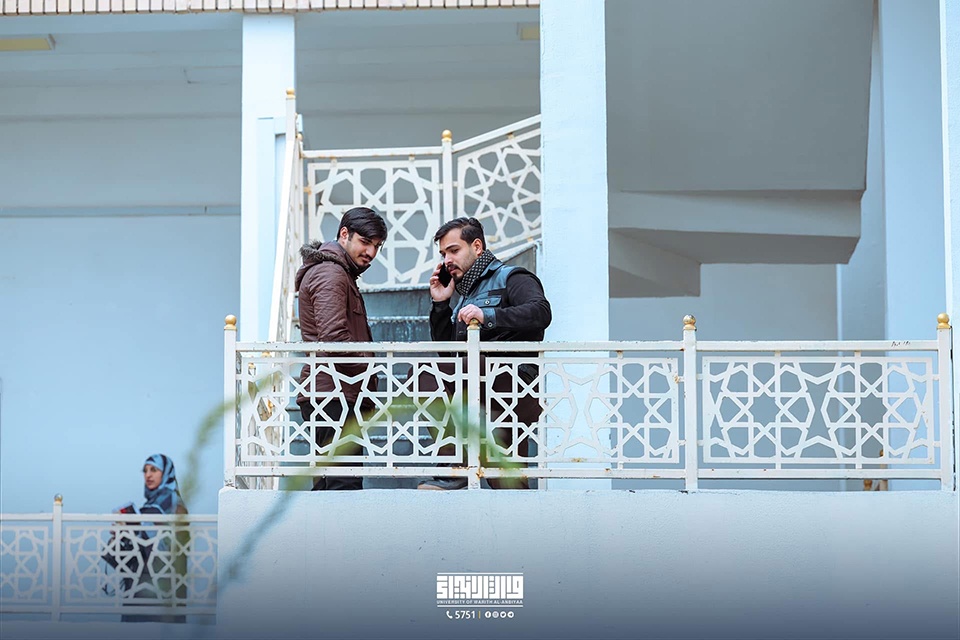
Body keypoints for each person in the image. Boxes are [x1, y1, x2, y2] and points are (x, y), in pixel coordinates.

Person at [418, 217, 552, 490]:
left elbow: (541, 312)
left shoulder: (512, 277)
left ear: (477, 246)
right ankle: (457, 465)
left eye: (454, 250)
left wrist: (487, 315)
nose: (447, 260)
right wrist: (441, 305)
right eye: (443, 254)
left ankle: (455, 466)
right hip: (480, 392)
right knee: (508, 484)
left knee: (426, 372)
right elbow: (450, 356)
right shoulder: (464, 297)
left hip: (511, 385)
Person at [296, 206, 387, 491]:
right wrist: (369, 368)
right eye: (365, 242)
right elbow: (334, 339)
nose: (371, 253)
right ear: (344, 234)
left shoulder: (337, 271)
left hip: (334, 392)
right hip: (334, 394)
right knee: (342, 489)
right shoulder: (331, 273)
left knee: (330, 487)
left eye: (377, 246)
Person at [103, 454, 188, 623]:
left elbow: (172, 542)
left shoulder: (174, 504)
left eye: (154, 470)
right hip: (138, 584)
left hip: (161, 583)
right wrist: (119, 535)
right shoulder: (147, 506)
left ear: (166, 473)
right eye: (145, 470)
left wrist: (138, 524)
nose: (148, 475)